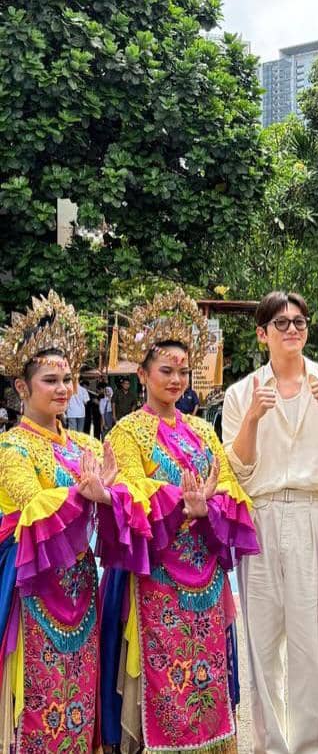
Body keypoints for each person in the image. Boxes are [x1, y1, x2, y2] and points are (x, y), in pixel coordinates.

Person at [103, 286, 259, 754]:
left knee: (206, 668)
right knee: (163, 671)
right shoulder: (126, 431)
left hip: (205, 573)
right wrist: (183, 503)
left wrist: (207, 507)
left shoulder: (202, 430)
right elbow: (131, 489)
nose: (176, 380)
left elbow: (230, 487)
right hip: (158, 570)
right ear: (144, 374)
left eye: (183, 372)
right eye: (166, 371)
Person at [0, 291, 150, 753]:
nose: (63, 388)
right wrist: (81, 496)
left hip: (83, 589)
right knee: (41, 699)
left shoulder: (84, 444)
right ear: (23, 388)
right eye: (50, 380)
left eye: (68, 379)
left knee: (80, 698)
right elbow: (30, 507)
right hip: (36, 592)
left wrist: (108, 497)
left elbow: (123, 499)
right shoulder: (11, 449)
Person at [222, 290, 318, 754]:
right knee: (263, 639)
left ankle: (312, 745)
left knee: (314, 634)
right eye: (280, 323)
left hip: (313, 510)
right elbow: (237, 469)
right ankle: (269, 746)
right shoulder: (242, 392)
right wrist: (254, 418)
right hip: (259, 513)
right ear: (262, 333)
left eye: (299, 322)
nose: (292, 330)